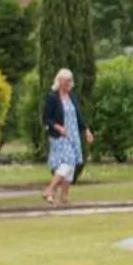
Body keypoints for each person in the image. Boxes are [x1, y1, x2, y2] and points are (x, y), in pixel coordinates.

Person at [41, 68, 92, 208]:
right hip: (60, 136)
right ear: (60, 81)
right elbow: (46, 119)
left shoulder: (72, 96)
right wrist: (58, 127)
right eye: (67, 80)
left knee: (72, 164)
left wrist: (86, 130)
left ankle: (64, 196)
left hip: (73, 135)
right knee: (68, 162)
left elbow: (78, 115)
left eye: (71, 80)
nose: (70, 83)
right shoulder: (53, 97)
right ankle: (50, 189)